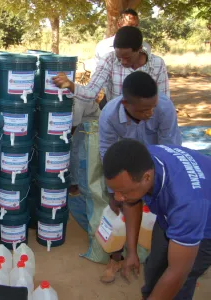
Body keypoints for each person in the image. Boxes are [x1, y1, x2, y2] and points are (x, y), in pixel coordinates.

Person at [60, 26, 166, 197]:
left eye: (127, 57)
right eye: (119, 57)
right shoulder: (110, 60)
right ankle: (116, 200)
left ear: (139, 50)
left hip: (147, 124)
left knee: (146, 170)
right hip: (117, 124)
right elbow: (91, 91)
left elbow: (163, 100)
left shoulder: (157, 64)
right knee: (116, 168)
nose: (122, 62)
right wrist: (71, 85)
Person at [98, 71, 181, 283]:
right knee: (121, 204)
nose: (151, 113)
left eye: (153, 107)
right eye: (144, 110)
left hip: (159, 165)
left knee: (167, 212)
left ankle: (173, 259)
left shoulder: (164, 108)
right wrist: (114, 192)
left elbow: (170, 153)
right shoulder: (109, 115)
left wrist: (157, 188)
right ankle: (118, 256)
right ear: (126, 103)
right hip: (129, 164)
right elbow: (108, 156)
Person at [103, 139, 211, 300]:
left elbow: (177, 272)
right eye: (115, 190)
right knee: (154, 269)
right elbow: (131, 201)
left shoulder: (186, 205)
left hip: (204, 228)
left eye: (123, 192)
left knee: (180, 284)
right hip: (173, 212)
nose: (118, 198)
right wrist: (132, 251)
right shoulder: (143, 160)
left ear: (147, 178)